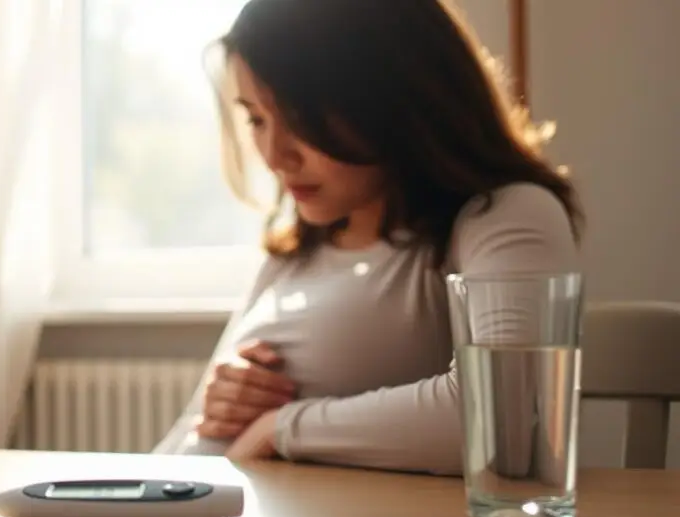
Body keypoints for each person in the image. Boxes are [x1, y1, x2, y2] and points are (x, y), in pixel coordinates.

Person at [153, 0, 583, 476]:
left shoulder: (501, 214)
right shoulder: (294, 251)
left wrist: (282, 429)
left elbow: (503, 421)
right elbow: (183, 443)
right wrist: (219, 404)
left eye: (298, 117)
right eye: (256, 119)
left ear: (393, 99)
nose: (275, 155)